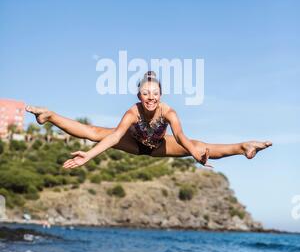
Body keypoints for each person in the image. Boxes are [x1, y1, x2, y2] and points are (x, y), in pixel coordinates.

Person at [25, 71, 272, 170]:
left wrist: (197, 155)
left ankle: (244, 147)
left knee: (200, 145)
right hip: (134, 142)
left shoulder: (169, 112)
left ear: (160, 96)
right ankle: (50, 116)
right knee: (94, 131)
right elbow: (114, 137)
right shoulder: (133, 111)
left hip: (160, 146)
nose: (150, 98)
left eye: (155, 94)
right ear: (139, 95)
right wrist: (88, 156)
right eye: (146, 93)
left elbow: (181, 138)